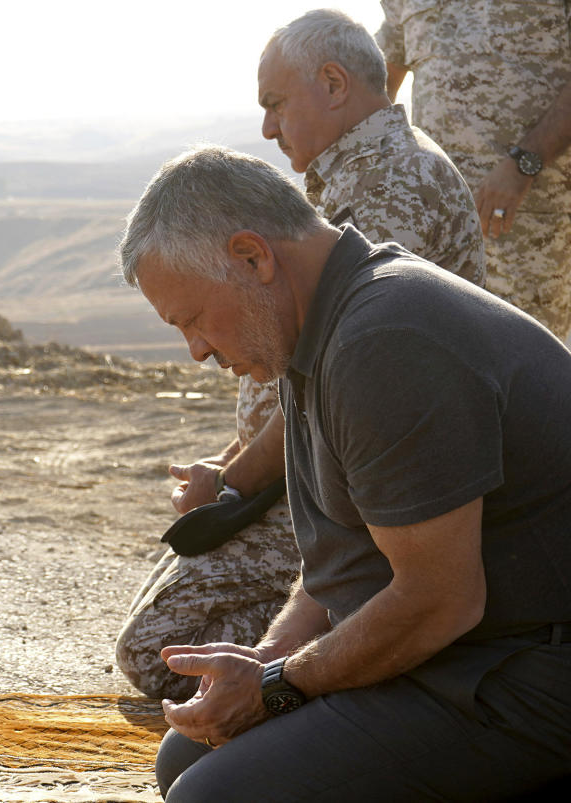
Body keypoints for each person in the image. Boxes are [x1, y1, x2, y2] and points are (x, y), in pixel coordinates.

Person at [119, 144, 571, 801]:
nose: (196, 350)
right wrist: (268, 660)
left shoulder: (382, 339)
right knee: (183, 756)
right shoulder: (321, 322)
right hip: (467, 647)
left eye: (192, 319)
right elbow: (345, 554)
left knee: (210, 795)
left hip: (524, 669)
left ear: (252, 256)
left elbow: (440, 598)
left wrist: (279, 687)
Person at [115, 8, 485, 701]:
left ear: (335, 84)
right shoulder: (347, 183)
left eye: (275, 103)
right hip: (303, 467)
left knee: (155, 649)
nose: (267, 127)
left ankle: (353, 658)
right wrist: (231, 468)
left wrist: (235, 486)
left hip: (352, 478)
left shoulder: (389, 189)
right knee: (170, 603)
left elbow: (337, 373)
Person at [377, 0, 571, 339]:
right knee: (441, 364)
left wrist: (526, 162)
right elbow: (379, 79)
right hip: (432, 224)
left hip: (523, 225)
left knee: (525, 367)